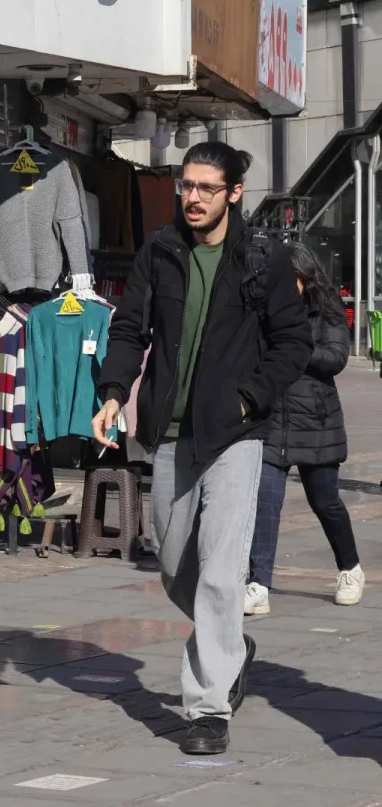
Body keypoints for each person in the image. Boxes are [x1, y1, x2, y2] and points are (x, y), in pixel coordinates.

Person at [93, 141, 312, 757]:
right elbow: (129, 329)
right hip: (170, 431)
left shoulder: (263, 259)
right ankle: (231, 644)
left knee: (220, 570)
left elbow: (293, 343)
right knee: (172, 562)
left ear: (234, 193)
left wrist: (249, 398)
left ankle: (207, 708)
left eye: (206, 188)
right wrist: (113, 393)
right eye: (186, 186)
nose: (192, 198)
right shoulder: (160, 251)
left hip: (236, 435)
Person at [246, 244, 362, 615]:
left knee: (325, 501)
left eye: (289, 278)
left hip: (316, 423)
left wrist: (295, 349)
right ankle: (258, 584)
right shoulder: (265, 310)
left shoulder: (327, 309)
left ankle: (350, 569)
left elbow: (336, 358)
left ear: (305, 277)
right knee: (265, 504)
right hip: (272, 420)